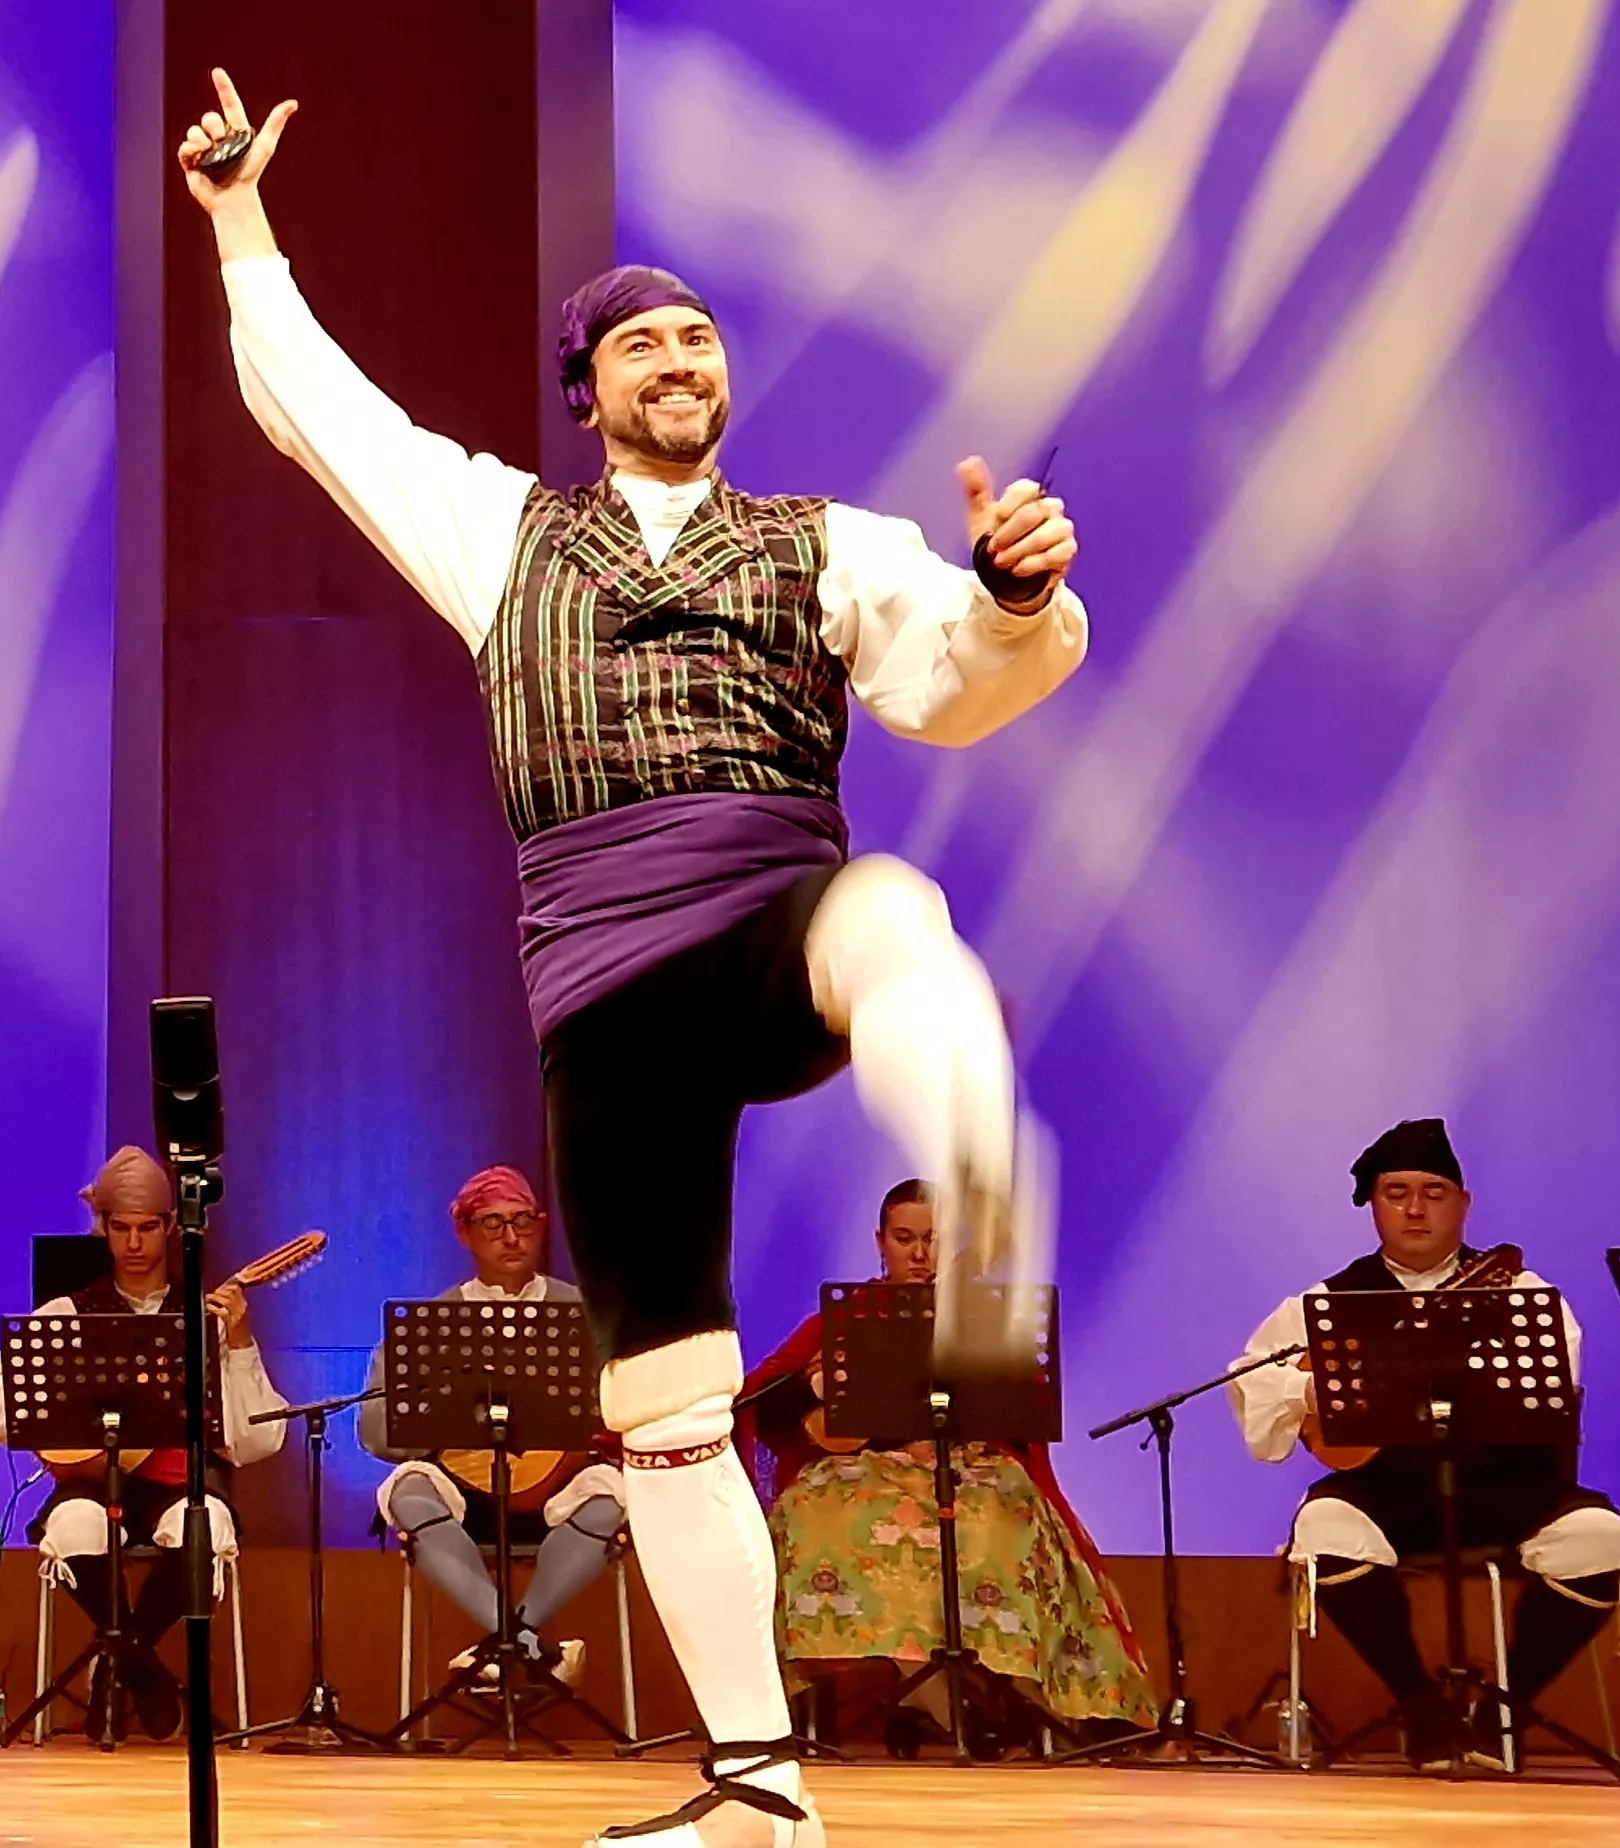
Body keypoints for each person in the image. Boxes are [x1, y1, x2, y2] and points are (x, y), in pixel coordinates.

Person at [182, 65, 1085, 1848]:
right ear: (586, 391)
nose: (683, 362)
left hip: (761, 908)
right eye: (645, 347)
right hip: (596, 983)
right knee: (662, 1402)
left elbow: (950, 686)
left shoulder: (828, 540)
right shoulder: (496, 528)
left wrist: (1013, 598)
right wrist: (237, 225)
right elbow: (322, 413)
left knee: (889, 917)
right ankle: (755, 1790)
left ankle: (976, 1165)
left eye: (702, 342)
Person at [1224, 1119, 1620, 1772]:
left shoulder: (1523, 1295)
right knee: (1324, 1529)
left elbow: (1554, 1383)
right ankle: (1419, 1703)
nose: (1415, 1208)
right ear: (1373, 1204)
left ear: (1464, 1203)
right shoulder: (1327, 1301)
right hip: (1387, 1492)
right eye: (1396, 1192)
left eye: (1433, 1192)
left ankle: (1505, 1708)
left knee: (1601, 1539)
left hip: (1505, 1491)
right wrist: (1321, 1392)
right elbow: (1253, 1378)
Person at [744, 1180, 1146, 1757]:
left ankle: (966, 1700)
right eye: (904, 1238)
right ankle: (935, 1701)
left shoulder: (985, 1319)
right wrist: (814, 1384)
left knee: (992, 1523)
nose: (919, 1254)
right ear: (879, 1242)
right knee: (821, 1521)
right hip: (856, 1474)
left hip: (965, 1469)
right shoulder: (842, 1319)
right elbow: (763, 1399)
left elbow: (1019, 1409)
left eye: (933, 1240)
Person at [0, 1147, 286, 1740]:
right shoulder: (67, 1314)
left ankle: (120, 1660)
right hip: (93, 1480)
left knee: (206, 1526)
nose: (135, 1243)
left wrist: (239, 1342)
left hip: (181, 1483)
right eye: (121, 1228)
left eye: (147, 1228)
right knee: (75, 1528)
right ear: (103, 1229)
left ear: (171, 1226)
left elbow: (258, 1440)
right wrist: (64, 1429)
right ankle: (147, 1675)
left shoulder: (207, 1320)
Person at [359, 1166, 624, 1693]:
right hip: (465, 1490)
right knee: (410, 1494)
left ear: (542, 1225)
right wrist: (441, 1424)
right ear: (464, 1233)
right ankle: (531, 1648)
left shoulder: (584, 1314)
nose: (511, 1237)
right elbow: (374, 1430)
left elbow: (624, 1406)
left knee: (612, 1500)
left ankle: (505, 1644)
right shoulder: (429, 1323)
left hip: (557, 1485)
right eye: (493, 1224)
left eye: (523, 1222)